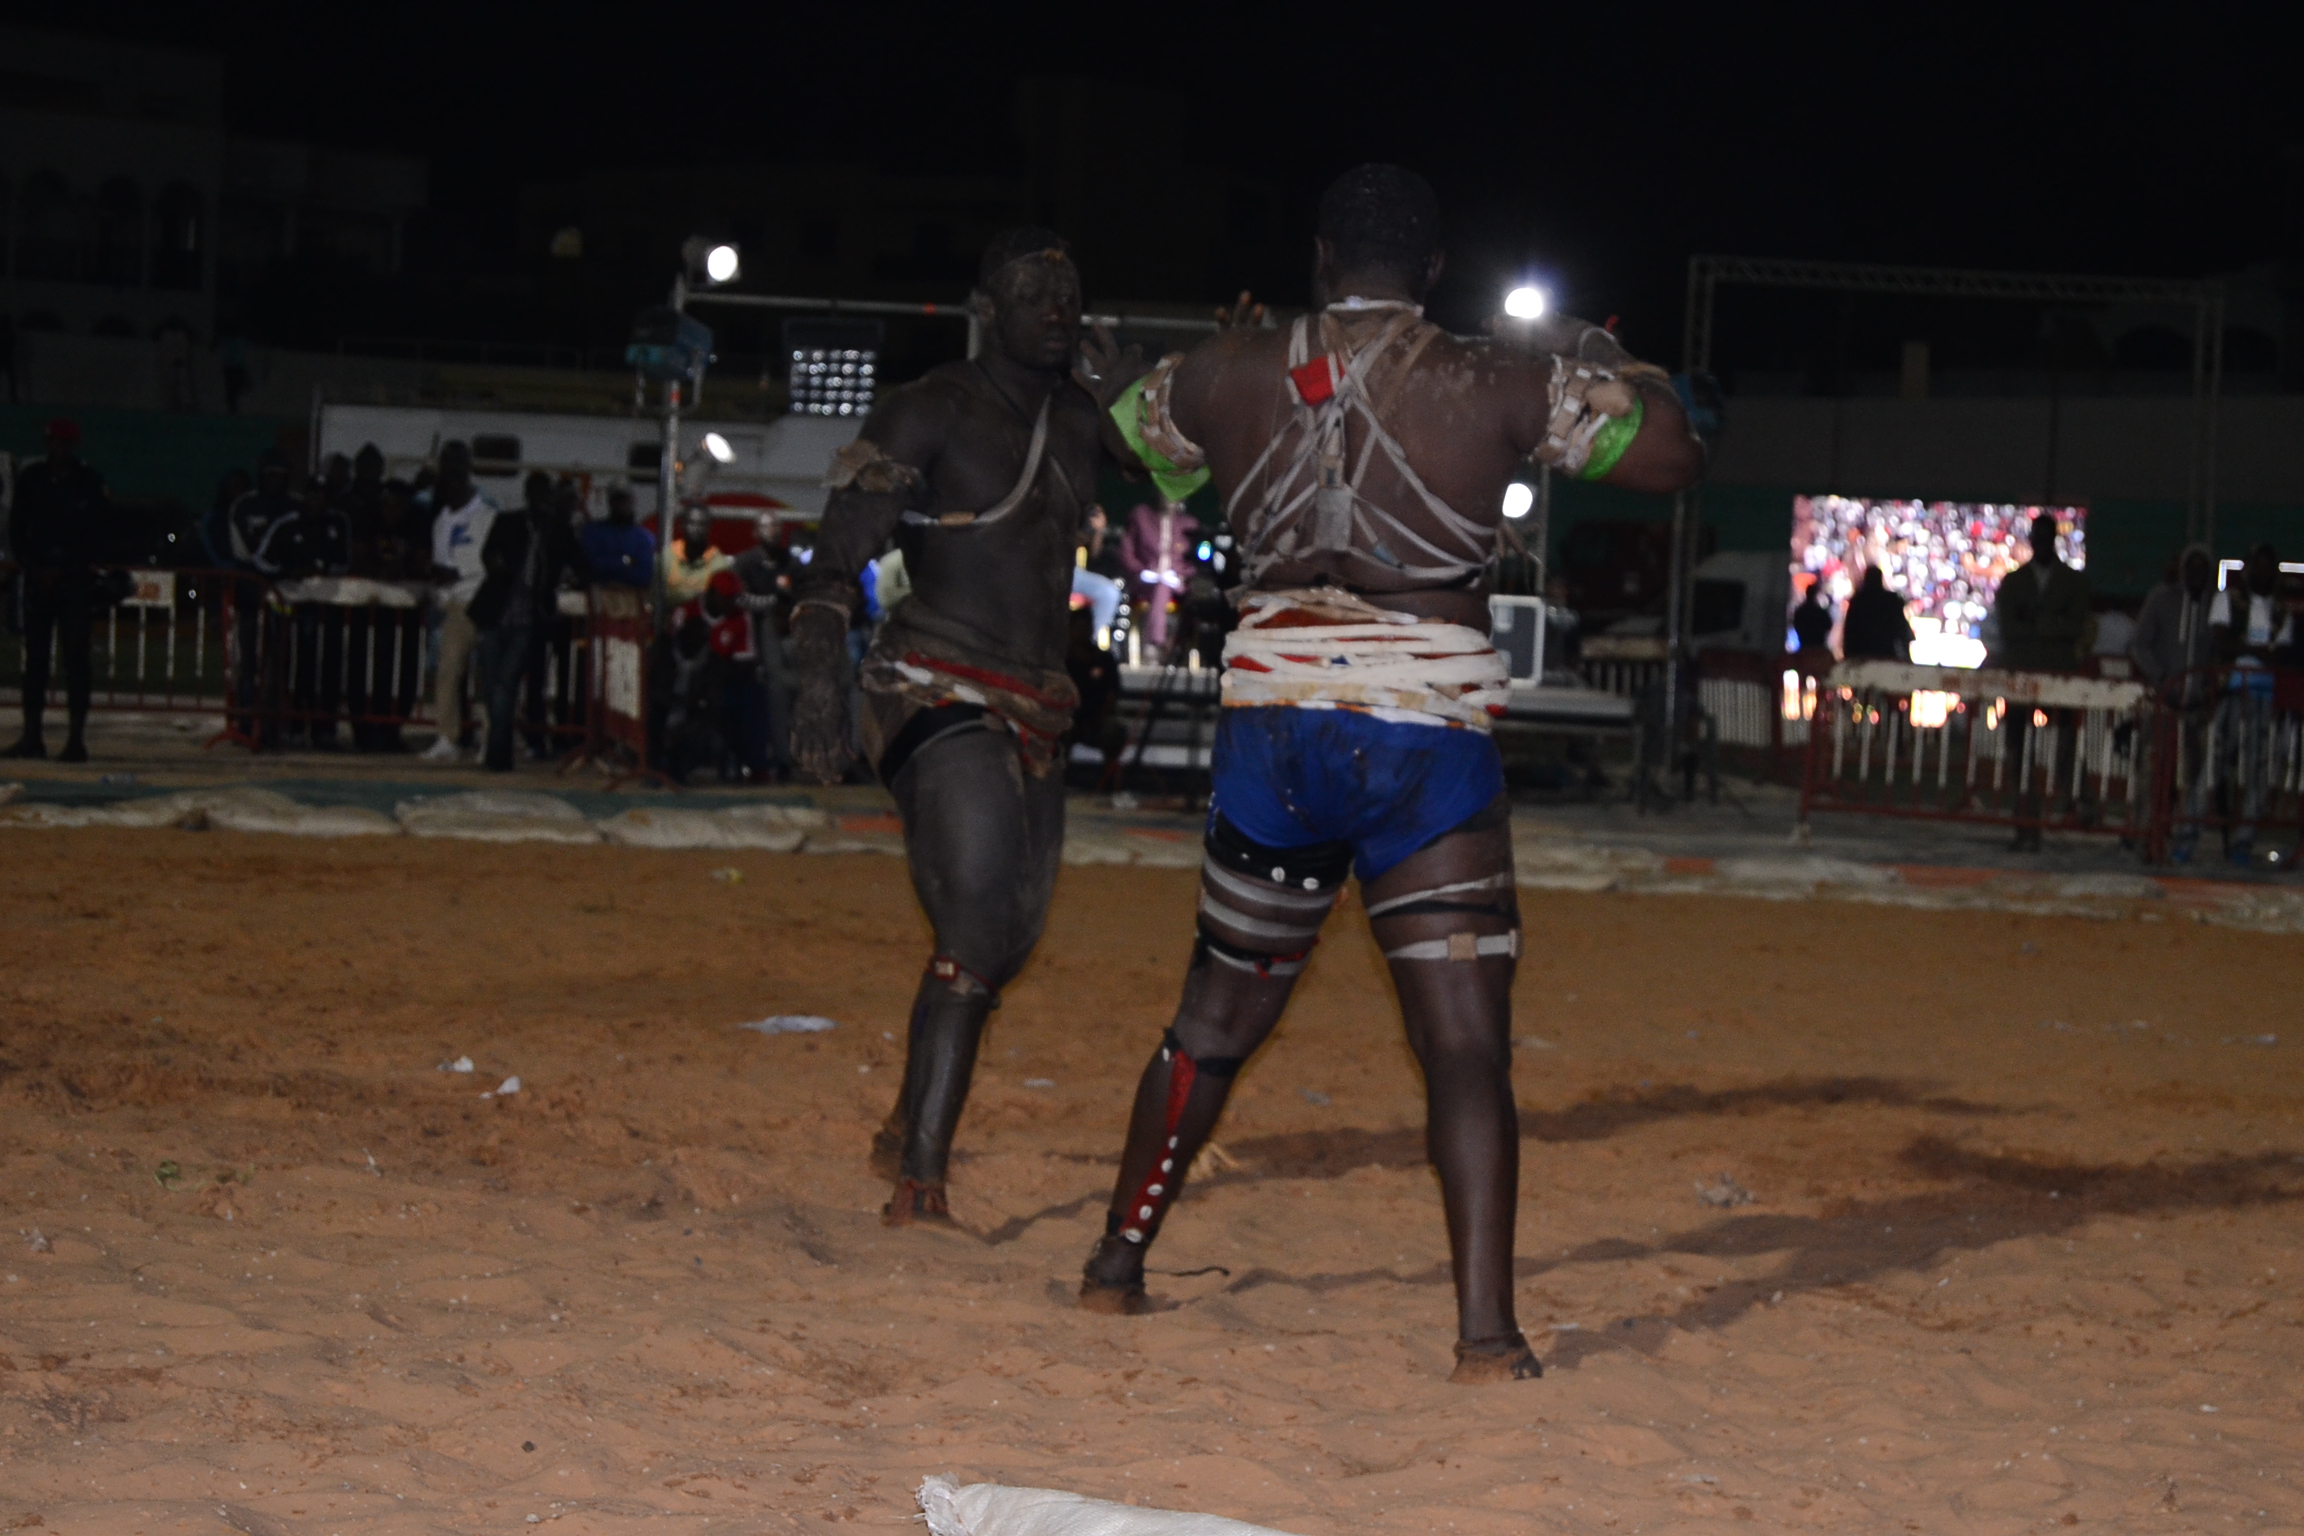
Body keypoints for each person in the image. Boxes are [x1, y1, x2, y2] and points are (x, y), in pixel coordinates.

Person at [1074, 165, 1702, 1381]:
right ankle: (1484, 1337)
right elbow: (1670, 455)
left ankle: (1116, 1262)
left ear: (1319, 259)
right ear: (1429, 273)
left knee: (1211, 1023)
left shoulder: (1227, 369)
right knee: (1464, 1047)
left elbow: (1132, 435)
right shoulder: (1492, 379)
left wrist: (1203, 418)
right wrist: (1601, 353)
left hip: (1274, 736)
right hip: (1425, 741)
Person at [790, 226, 1108, 1226]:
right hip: (932, 680)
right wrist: (817, 680)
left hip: (1039, 700)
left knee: (1006, 939)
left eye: (1070, 295)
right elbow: (837, 554)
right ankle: (921, 1178)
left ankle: (902, 1124)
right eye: (1036, 294)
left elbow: (1182, 455)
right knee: (974, 921)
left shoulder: (1086, 418)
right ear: (989, 307)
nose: (1057, 311)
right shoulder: (932, 407)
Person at [4, 419, 110, 761]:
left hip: (73, 580)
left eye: (64, 443)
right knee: (36, 660)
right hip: (40, 577)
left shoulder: (87, 481)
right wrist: (34, 566)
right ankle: (32, 734)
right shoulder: (33, 479)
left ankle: (75, 738)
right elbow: (19, 527)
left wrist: (67, 569)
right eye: (54, 443)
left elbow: (97, 532)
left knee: (76, 660)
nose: (59, 450)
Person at [1990, 512, 2094, 850]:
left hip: (2058, 674)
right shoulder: (2015, 582)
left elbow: (2077, 626)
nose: (2044, 543)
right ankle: (2027, 822)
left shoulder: (2069, 582)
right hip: (2023, 675)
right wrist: (2052, 625)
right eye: (2040, 537)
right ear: (2033, 541)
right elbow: (2009, 627)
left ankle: (2075, 805)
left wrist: (2036, 624)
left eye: (2049, 538)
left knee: (2065, 749)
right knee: (2018, 752)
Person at [467, 471, 566, 773]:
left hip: (526, 618)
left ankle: (498, 754)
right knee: (496, 685)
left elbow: (571, 561)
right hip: (497, 612)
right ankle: (499, 751)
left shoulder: (555, 529)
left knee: (505, 685)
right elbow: (488, 554)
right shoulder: (509, 522)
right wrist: (500, 568)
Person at [253, 459, 355, 746]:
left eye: (322, 496)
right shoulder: (286, 525)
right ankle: (295, 727)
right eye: (312, 495)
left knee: (329, 669)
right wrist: (288, 572)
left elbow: (345, 561)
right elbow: (261, 559)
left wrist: (324, 570)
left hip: (329, 609)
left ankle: (325, 729)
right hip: (293, 610)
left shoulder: (338, 523)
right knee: (296, 667)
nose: (317, 501)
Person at [2205, 544, 2293, 866]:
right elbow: (2220, 639)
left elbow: (2280, 654)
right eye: (2259, 565)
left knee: (2256, 770)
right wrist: (2259, 651)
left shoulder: (2281, 611)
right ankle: (2202, 835)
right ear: (2249, 569)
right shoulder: (2228, 599)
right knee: (2218, 766)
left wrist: (2245, 649)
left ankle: (2243, 842)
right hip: (2230, 693)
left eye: (2270, 567)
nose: (2264, 572)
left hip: (2263, 697)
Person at [422, 442, 495, 761]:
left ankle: (489, 739)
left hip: (483, 601)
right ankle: (447, 738)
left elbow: (491, 561)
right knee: (448, 670)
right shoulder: (442, 519)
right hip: (454, 605)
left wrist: (455, 571)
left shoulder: (487, 514)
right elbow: (440, 564)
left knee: (487, 676)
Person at [731, 511, 798, 778]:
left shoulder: (790, 561)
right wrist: (773, 601)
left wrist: (781, 602)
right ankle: (758, 758)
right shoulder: (745, 562)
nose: (773, 533)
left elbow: (797, 596)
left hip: (785, 637)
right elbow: (739, 599)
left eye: (777, 528)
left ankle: (786, 758)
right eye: (767, 528)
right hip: (748, 639)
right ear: (755, 532)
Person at [1121, 499, 1194, 655]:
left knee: (1200, 592)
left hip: (1177, 581)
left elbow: (1193, 558)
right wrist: (1141, 570)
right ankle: (1156, 644)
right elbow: (1126, 552)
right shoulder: (1142, 517)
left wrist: (1183, 574)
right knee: (1161, 586)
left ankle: (1185, 646)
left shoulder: (1187, 524)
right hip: (1146, 578)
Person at [580, 485, 655, 588]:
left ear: (633, 502)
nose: (621, 506)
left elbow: (646, 573)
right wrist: (626, 561)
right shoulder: (594, 531)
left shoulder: (644, 537)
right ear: (610, 503)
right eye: (617, 501)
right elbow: (592, 565)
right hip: (599, 594)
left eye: (625, 501)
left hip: (634, 597)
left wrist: (614, 567)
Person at [661, 504, 730, 607]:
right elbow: (657, 596)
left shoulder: (719, 564)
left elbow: (717, 603)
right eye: (691, 523)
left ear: (709, 528)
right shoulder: (667, 557)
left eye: (701, 524)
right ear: (681, 526)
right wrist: (696, 594)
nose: (696, 528)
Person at [1839, 566, 1912, 662]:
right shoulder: (1891, 601)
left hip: (1860, 657)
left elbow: (1848, 632)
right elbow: (1903, 632)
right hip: (1886, 655)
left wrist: (1848, 657)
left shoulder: (1858, 601)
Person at [1790, 577, 1834, 657]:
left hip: (1805, 646)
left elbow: (1795, 624)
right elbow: (1828, 625)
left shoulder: (1800, 611)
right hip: (1817, 647)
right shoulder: (1820, 612)